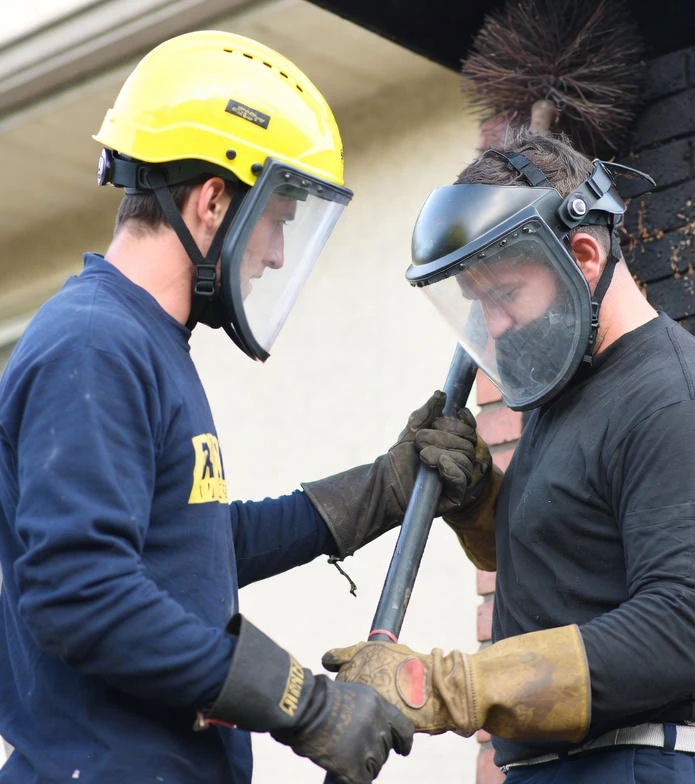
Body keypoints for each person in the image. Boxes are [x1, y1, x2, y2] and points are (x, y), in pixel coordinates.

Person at [0, 30, 492, 784]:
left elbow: (186, 545)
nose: (274, 255)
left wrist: (377, 494)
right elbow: (82, 590)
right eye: (278, 219)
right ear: (213, 199)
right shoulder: (93, 346)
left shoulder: (143, 342)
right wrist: (306, 705)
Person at [323, 129, 695, 784]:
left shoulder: (678, 400)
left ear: (584, 255)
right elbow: (569, 562)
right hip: (573, 765)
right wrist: (477, 499)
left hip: (654, 763)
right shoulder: (571, 395)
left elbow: (681, 633)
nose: (494, 326)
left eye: (504, 295)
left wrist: (439, 687)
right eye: (480, 305)